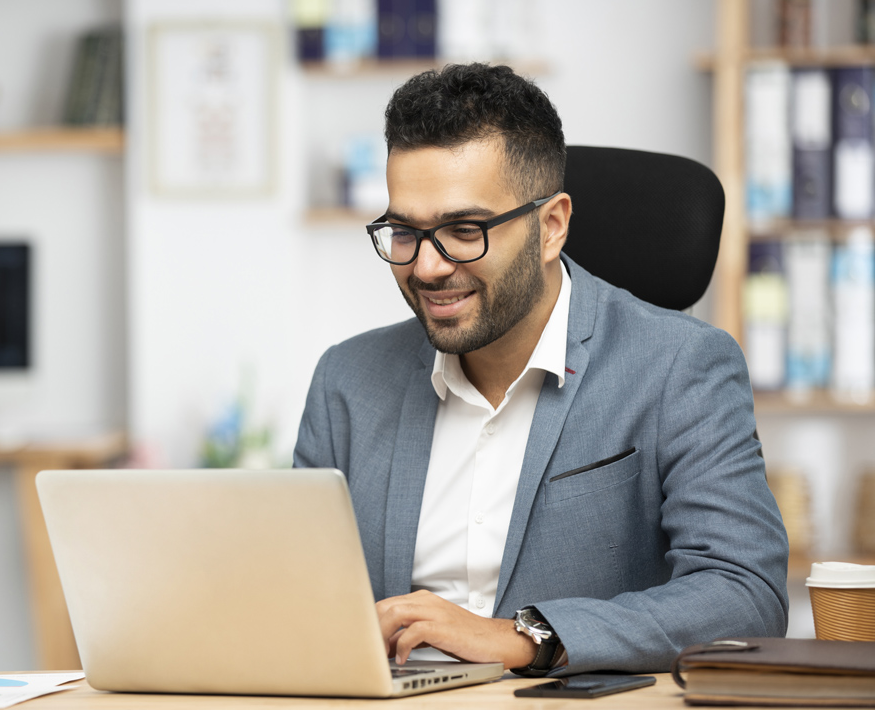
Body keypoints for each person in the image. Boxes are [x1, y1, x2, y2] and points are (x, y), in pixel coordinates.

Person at [293, 63, 789, 676]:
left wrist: (526, 636)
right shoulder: (347, 380)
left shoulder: (680, 367)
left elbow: (745, 594)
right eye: (404, 231)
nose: (425, 267)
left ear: (551, 226)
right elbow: (298, 600)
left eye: (463, 230)